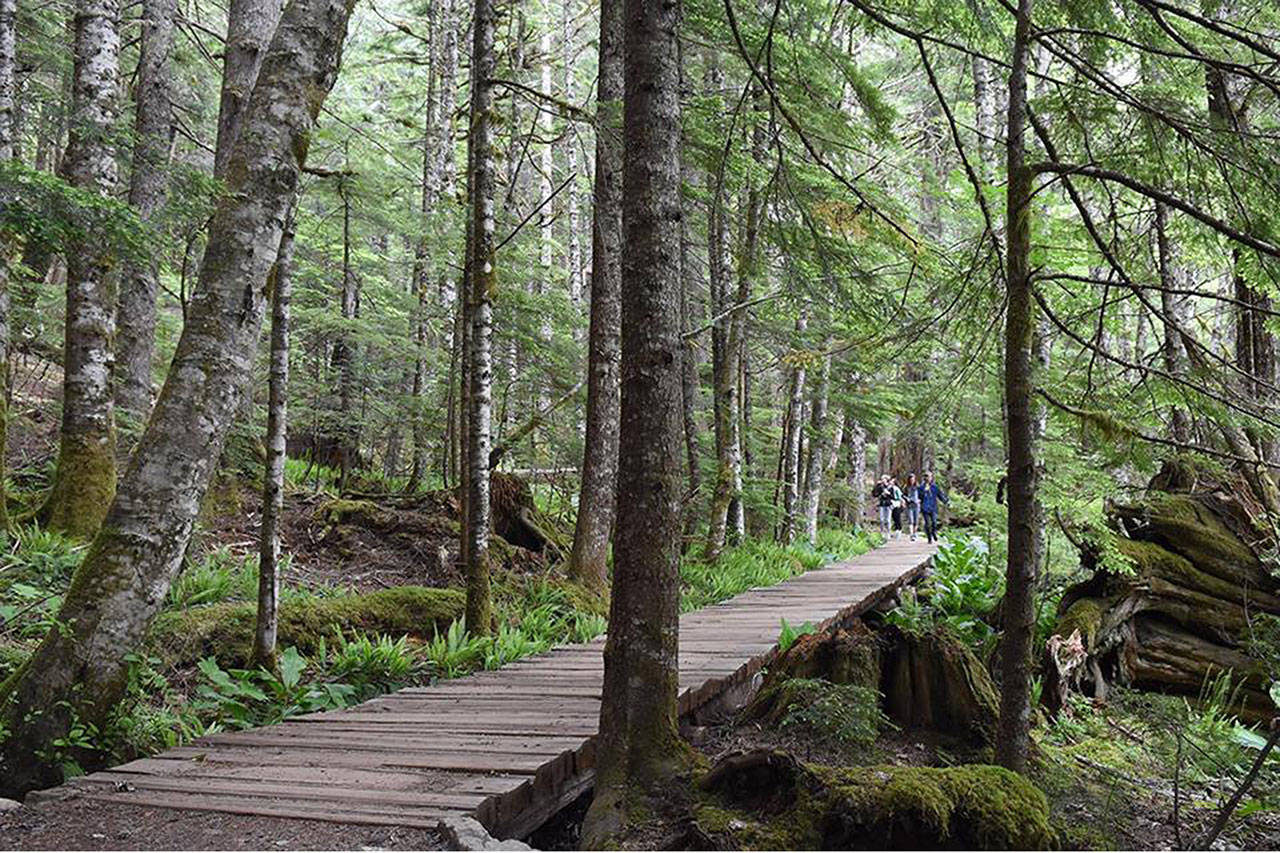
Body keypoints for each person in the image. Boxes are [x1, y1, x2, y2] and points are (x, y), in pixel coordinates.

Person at [919, 471, 949, 543]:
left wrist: (945, 501)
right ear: (924, 478)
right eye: (926, 477)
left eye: (929, 477)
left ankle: (933, 532)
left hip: (933, 507)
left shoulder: (935, 487)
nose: (928, 478)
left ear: (931, 478)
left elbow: (940, 495)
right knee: (927, 524)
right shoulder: (921, 487)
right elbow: (919, 497)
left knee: (934, 522)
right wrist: (924, 491)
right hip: (924, 507)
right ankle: (929, 538)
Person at [904, 473, 921, 541]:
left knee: (916, 520)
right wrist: (906, 499)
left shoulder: (917, 487)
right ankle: (911, 534)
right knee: (911, 519)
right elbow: (903, 495)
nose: (912, 481)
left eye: (913, 479)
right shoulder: (906, 487)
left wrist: (920, 500)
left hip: (916, 505)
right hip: (909, 505)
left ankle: (915, 533)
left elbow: (921, 495)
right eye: (911, 480)